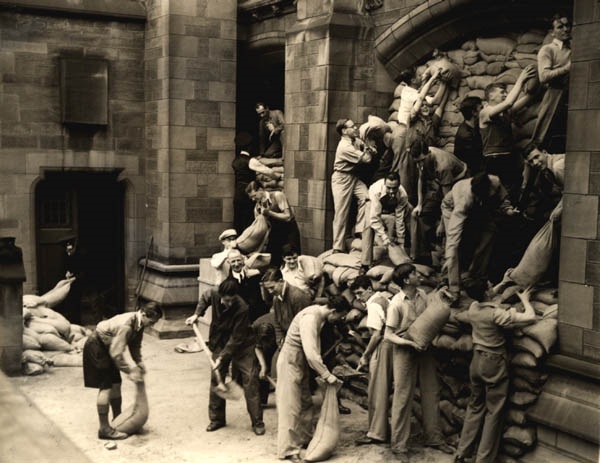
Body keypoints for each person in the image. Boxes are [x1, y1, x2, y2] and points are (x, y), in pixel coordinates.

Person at [454, 281, 536, 463]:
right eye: (490, 285)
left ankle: (461, 453)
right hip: (493, 364)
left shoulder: (474, 308)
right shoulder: (496, 314)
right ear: (486, 290)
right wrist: (526, 300)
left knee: (475, 406)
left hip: (476, 361)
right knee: (494, 412)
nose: (492, 287)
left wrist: (504, 282)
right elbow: (530, 317)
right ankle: (483, 459)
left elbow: (487, 296)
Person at [384, 264, 454, 462]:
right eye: (414, 273)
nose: (418, 275)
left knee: (431, 392)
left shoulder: (423, 294)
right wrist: (409, 342)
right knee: (402, 395)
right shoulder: (396, 304)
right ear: (406, 280)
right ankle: (399, 445)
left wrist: (442, 297)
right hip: (404, 350)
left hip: (424, 349)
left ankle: (434, 438)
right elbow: (387, 335)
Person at [186, 278, 265, 436]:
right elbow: (204, 298)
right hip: (219, 341)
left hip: (243, 345)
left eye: (231, 300)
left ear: (235, 296)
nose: (227, 303)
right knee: (216, 378)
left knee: (250, 380)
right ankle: (217, 419)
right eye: (225, 300)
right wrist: (197, 314)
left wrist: (221, 359)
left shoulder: (242, 308)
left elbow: (236, 339)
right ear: (220, 294)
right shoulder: (214, 293)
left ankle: (257, 422)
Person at [276, 295, 350, 461]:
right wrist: (327, 375)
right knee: (291, 408)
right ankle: (288, 450)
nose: (340, 319)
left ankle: (304, 441)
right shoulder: (311, 318)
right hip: (291, 361)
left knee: (305, 403)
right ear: (333, 311)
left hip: (300, 362)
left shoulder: (320, 317)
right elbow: (311, 354)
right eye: (340, 316)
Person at [83, 301, 162, 440]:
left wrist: (139, 362)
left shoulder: (139, 324)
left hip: (108, 347)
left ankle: (118, 420)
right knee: (106, 386)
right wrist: (130, 371)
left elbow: (135, 345)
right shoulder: (127, 326)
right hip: (97, 346)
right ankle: (104, 429)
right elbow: (116, 353)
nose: (153, 325)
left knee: (116, 383)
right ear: (143, 314)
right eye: (152, 321)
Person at [440, 173, 520, 300]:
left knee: (490, 232)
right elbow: (453, 238)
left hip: (479, 209)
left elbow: (502, 198)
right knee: (455, 248)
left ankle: (475, 277)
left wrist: (507, 210)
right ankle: (451, 284)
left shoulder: (495, 181)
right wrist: (450, 256)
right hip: (451, 207)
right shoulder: (464, 201)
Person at [479, 65, 536, 197]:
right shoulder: (485, 112)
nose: (505, 94)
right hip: (494, 159)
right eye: (502, 92)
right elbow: (509, 102)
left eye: (506, 92)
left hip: (509, 157)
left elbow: (528, 98)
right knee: (495, 193)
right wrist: (520, 80)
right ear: (491, 96)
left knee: (513, 192)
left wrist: (535, 83)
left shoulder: (505, 112)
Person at [409, 135, 467, 263]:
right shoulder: (423, 158)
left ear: (428, 153)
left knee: (449, 223)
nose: (420, 164)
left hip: (459, 184)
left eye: (421, 161)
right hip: (442, 185)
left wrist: (441, 224)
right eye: (417, 162)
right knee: (420, 214)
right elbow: (421, 179)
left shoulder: (443, 166)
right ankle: (424, 255)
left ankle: (447, 259)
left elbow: (447, 202)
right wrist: (419, 204)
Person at [350, 276, 392, 446]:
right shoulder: (384, 299)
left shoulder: (374, 305)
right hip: (390, 346)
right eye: (356, 295)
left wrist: (365, 356)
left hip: (382, 347)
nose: (359, 298)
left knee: (376, 390)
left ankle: (377, 433)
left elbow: (375, 335)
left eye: (360, 293)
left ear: (369, 289)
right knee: (381, 389)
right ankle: (383, 429)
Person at [331, 118, 373, 252]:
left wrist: (367, 147)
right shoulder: (344, 146)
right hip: (341, 179)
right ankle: (337, 247)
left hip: (353, 177)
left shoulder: (354, 140)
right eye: (352, 127)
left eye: (355, 126)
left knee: (367, 198)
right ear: (344, 131)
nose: (356, 128)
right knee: (341, 213)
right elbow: (367, 159)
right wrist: (370, 151)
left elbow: (363, 145)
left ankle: (360, 230)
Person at [531, 14, 571, 151]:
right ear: (552, 32)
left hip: (571, 97)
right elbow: (544, 76)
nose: (566, 29)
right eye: (560, 27)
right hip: (555, 95)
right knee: (542, 139)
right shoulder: (548, 49)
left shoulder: (573, 49)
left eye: (567, 25)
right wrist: (567, 68)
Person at [360, 172, 409, 272]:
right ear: (384, 184)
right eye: (388, 187)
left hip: (389, 205)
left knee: (402, 216)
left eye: (394, 188)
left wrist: (401, 239)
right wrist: (384, 237)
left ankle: (396, 256)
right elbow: (374, 219)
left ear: (399, 186)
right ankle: (365, 264)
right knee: (368, 226)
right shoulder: (376, 190)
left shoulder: (403, 195)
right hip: (372, 202)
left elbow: (400, 218)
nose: (391, 191)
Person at [246, 180, 301, 267]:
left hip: (288, 229)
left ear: (260, 190)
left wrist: (269, 213)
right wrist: (258, 248)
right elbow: (263, 228)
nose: (253, 199)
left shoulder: (277, 195)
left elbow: (288, 216)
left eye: (254, 196)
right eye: (251, 198)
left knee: (291, 255)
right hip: (274, 231)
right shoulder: (257, 207)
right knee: (274, 259)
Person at [261, 267, 312, 346]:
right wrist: (280, 340)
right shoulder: (276, 298)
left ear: (281, 281)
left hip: (300, 340)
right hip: (287, 338)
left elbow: (304, 327)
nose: (270, 292)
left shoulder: (297, 296)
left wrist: (289, 343)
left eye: (272, 287)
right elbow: (277, 322)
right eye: (267, 289)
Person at [226, 249, 268, 322]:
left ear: (243, 260)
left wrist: (259, 271)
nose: (236, 264)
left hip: (258, 317)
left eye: (238, 260)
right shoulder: (227, 283)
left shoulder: (253, 274)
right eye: (233, 261)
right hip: (240, 321)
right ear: (228, 262)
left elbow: (271, 270)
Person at [232, 132, 257, 233]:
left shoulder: (235, 161)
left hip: (238, 193)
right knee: (248, 220)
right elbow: (267, 172)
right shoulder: (250, 161)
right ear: (249, 147)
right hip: (248, 193)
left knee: (238, 219)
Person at [252, 311, 278, 407]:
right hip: (263, 345)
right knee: (260, 369)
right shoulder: (255, 326)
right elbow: (257, 347)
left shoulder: (280, 325)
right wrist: (263, 366)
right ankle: (261, 401)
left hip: (280, 341)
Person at [454, 96, 483, 175]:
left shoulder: (472, 126)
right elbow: (476, 160)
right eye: (481, 108)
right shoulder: (466, 135)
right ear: (474, 113)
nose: (484, 111)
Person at [61, 237, 85, 324]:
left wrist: (75, 278)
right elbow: (64, 267)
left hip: (78, 282)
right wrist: (66, 273)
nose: (69, 252)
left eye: (70, 250)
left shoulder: (80, 256)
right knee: (68, 302)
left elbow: (84, 272)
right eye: (68, 250)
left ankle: (77, 321)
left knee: (76, 302)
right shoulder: (64, 255)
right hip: (68, 282)